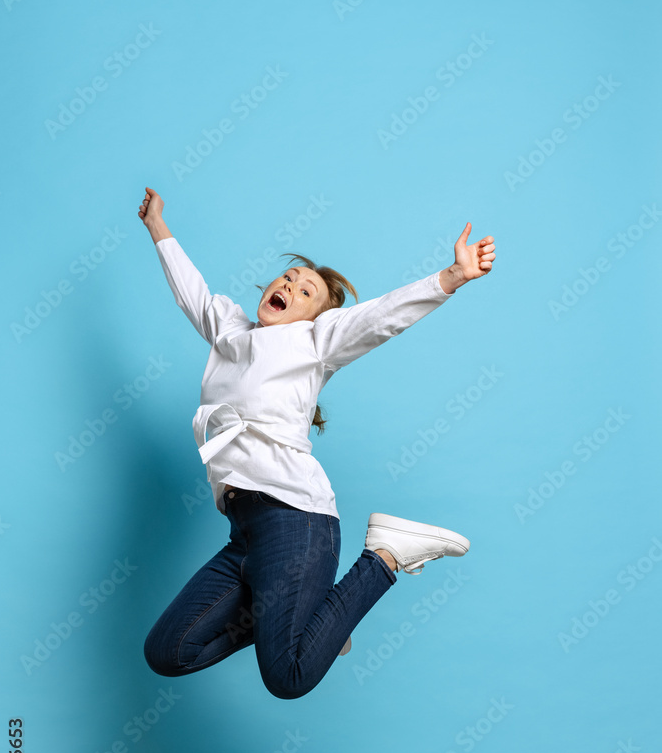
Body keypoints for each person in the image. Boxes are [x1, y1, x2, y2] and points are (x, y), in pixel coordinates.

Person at [138, 187, 496, 699]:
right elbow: (190, 290)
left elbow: (380, 318)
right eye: (288, 278)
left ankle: (385, 555)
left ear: (316, 317)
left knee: (288, 677)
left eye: (307, 291)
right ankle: (321, 622)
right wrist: (156, 225)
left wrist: (452, 277)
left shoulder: (313, 342)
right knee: (169, 652)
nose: (291, 285)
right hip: (246, 532)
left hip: (294, 520)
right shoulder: (230, 333)